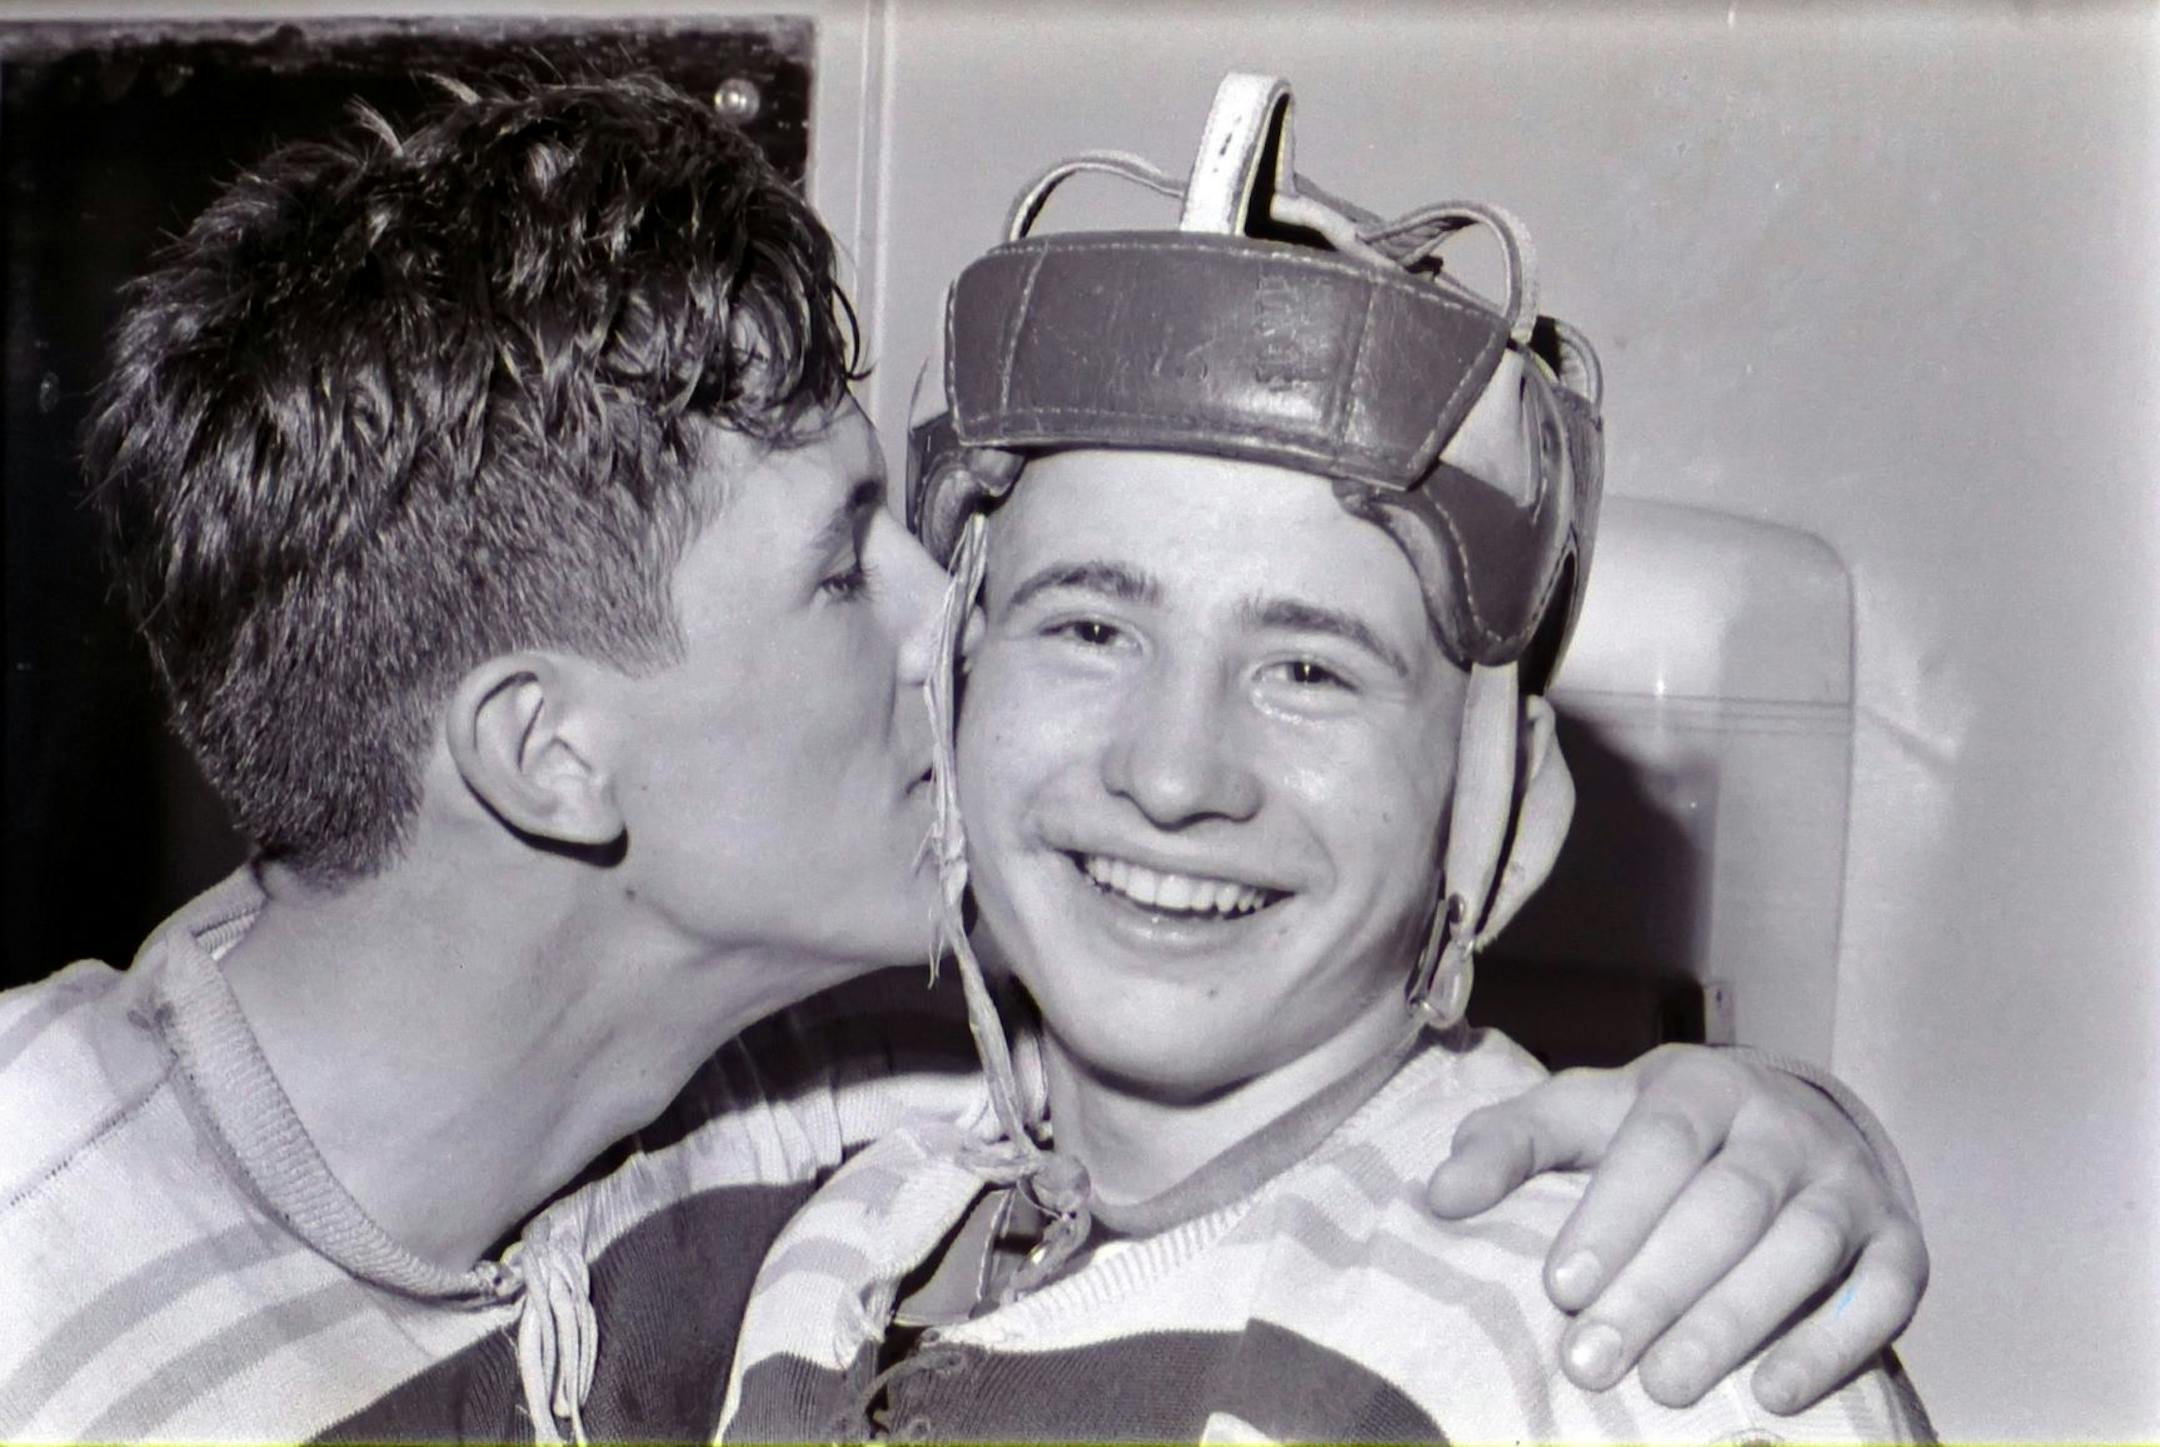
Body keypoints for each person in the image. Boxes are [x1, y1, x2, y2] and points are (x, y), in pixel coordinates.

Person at [1, 75, 1919, 1442]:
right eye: (850, 571)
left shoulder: (823, 1103)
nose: (963, 632)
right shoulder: (46, 1272)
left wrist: (1777, 1142)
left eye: (1311, 666)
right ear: (552, 759)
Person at [718, 74, 1932, 1442]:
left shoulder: (1634, 1336)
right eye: (1093, 626)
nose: (1174, 775)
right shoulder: (843, 1232)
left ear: (1506, 817)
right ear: (956, 692)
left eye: (1309, 671)